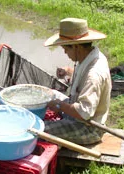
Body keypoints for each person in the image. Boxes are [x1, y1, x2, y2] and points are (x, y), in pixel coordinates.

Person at [44, 17, 112, 145]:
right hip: (78, 112)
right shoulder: (89, 56)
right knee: (50, 93)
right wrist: (68, 71)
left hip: (88, 127)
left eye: (66, 48)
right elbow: (83, 77)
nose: (64, 52)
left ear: (76, 47)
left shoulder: (94, 74)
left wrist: (59, 106)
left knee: (39, 129)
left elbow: (83, 113)